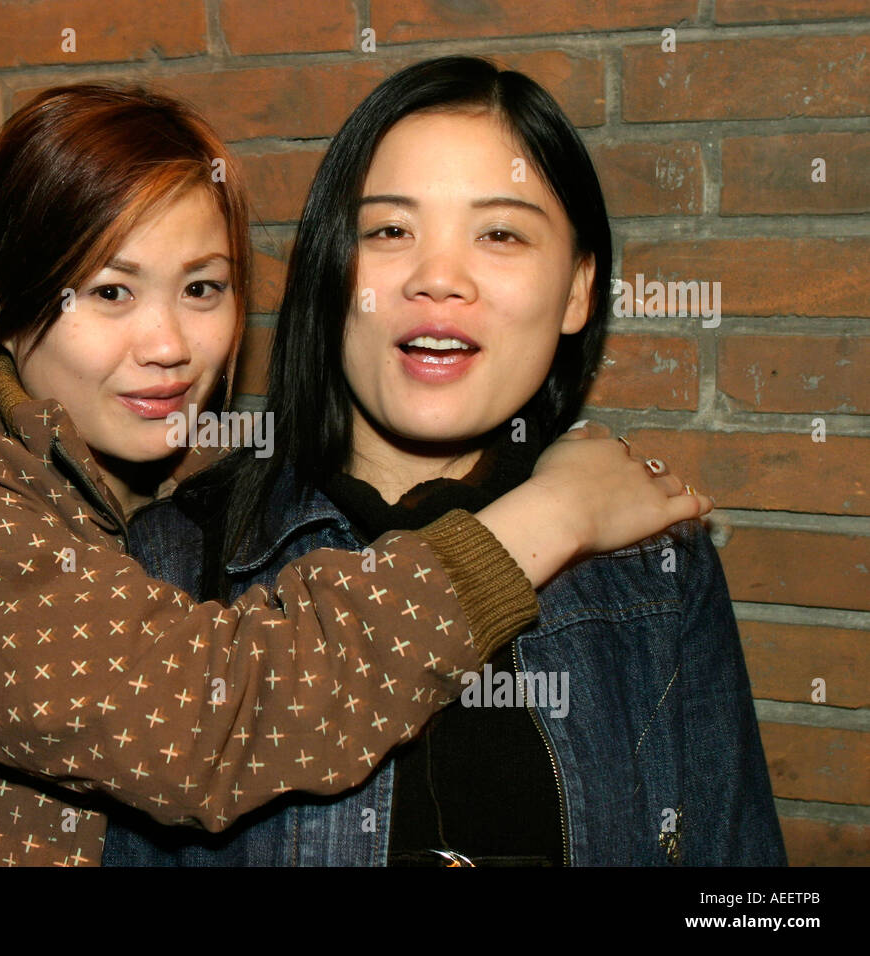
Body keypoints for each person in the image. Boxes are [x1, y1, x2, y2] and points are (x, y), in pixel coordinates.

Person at [0, 81, 712, 867]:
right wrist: (551, 516)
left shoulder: (138, 500)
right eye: (111, 291)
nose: (168, 348)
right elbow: (208, 724)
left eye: (202, 288)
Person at [101, 57, 784, 866]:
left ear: (577, 292)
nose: (437, 280)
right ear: (331, 271)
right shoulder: (173, 561)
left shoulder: (656, 568)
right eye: (390, 231)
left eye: (499, 233)